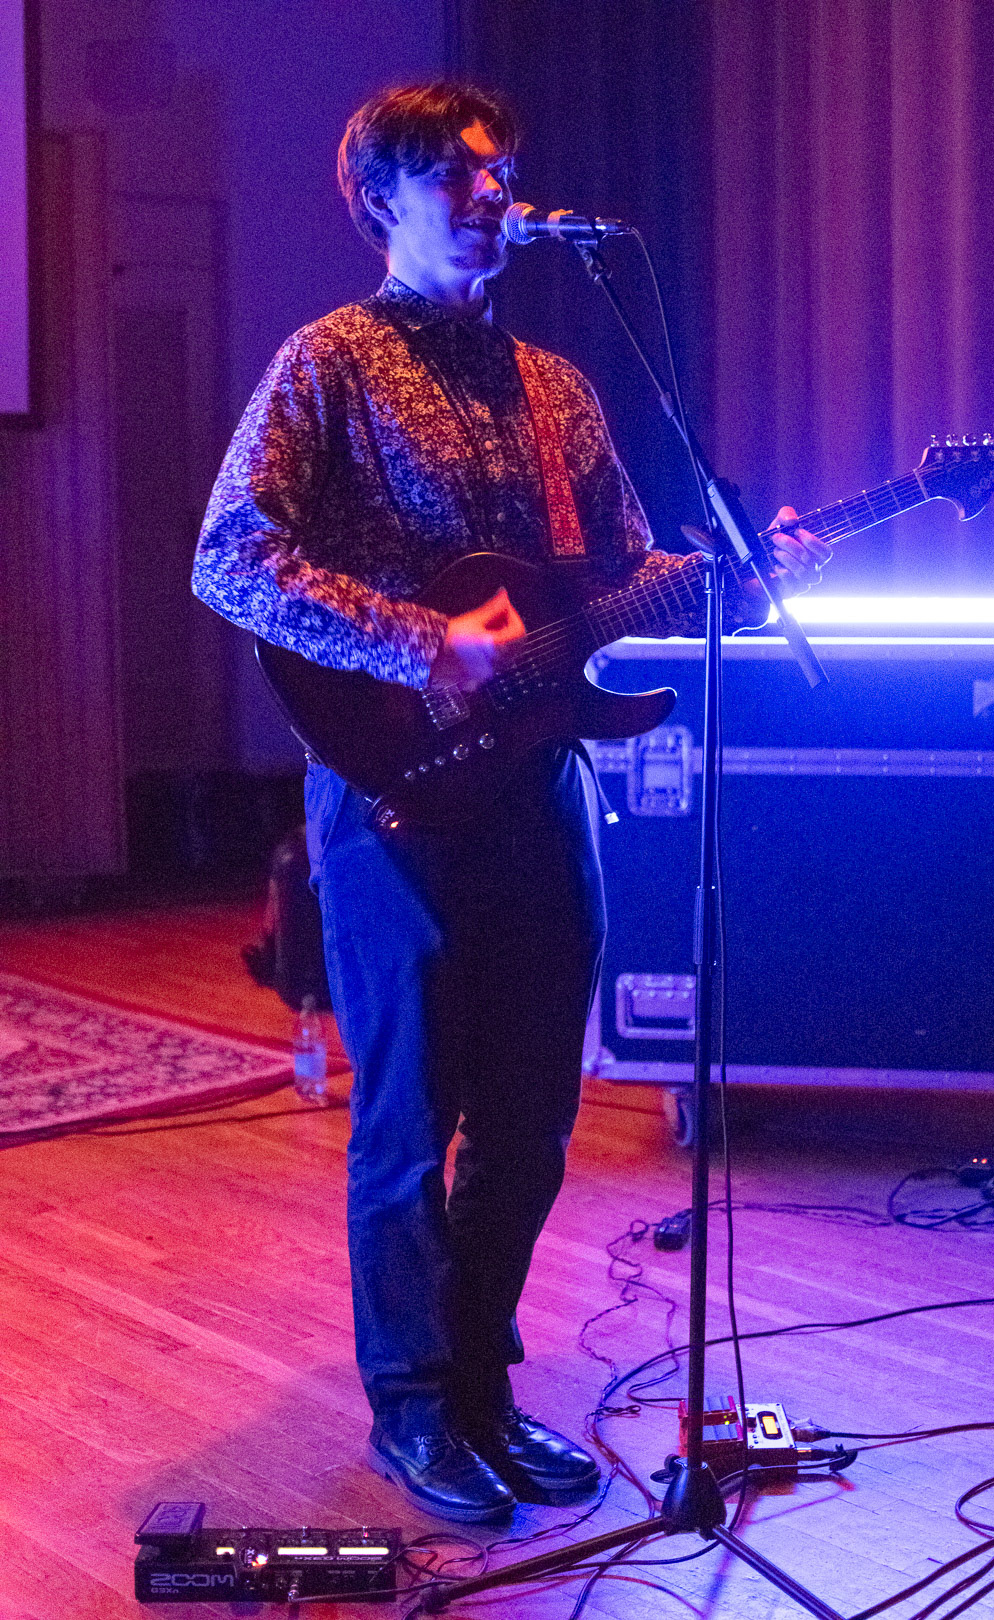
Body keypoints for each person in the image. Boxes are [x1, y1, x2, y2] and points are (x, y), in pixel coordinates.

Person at [192, 82, 828, 1524]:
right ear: (382, 200)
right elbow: (230, 558)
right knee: (411, 1115)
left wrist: (740, 573)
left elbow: (623, 578)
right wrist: (417, 641)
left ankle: (480, 1383)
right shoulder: (328, 364)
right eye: (460, 174)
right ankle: (412, 1409)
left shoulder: (558, 389)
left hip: (539, 785)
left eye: (504, 170)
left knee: (535, 1113)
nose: (495, 193)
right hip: (392, 790)